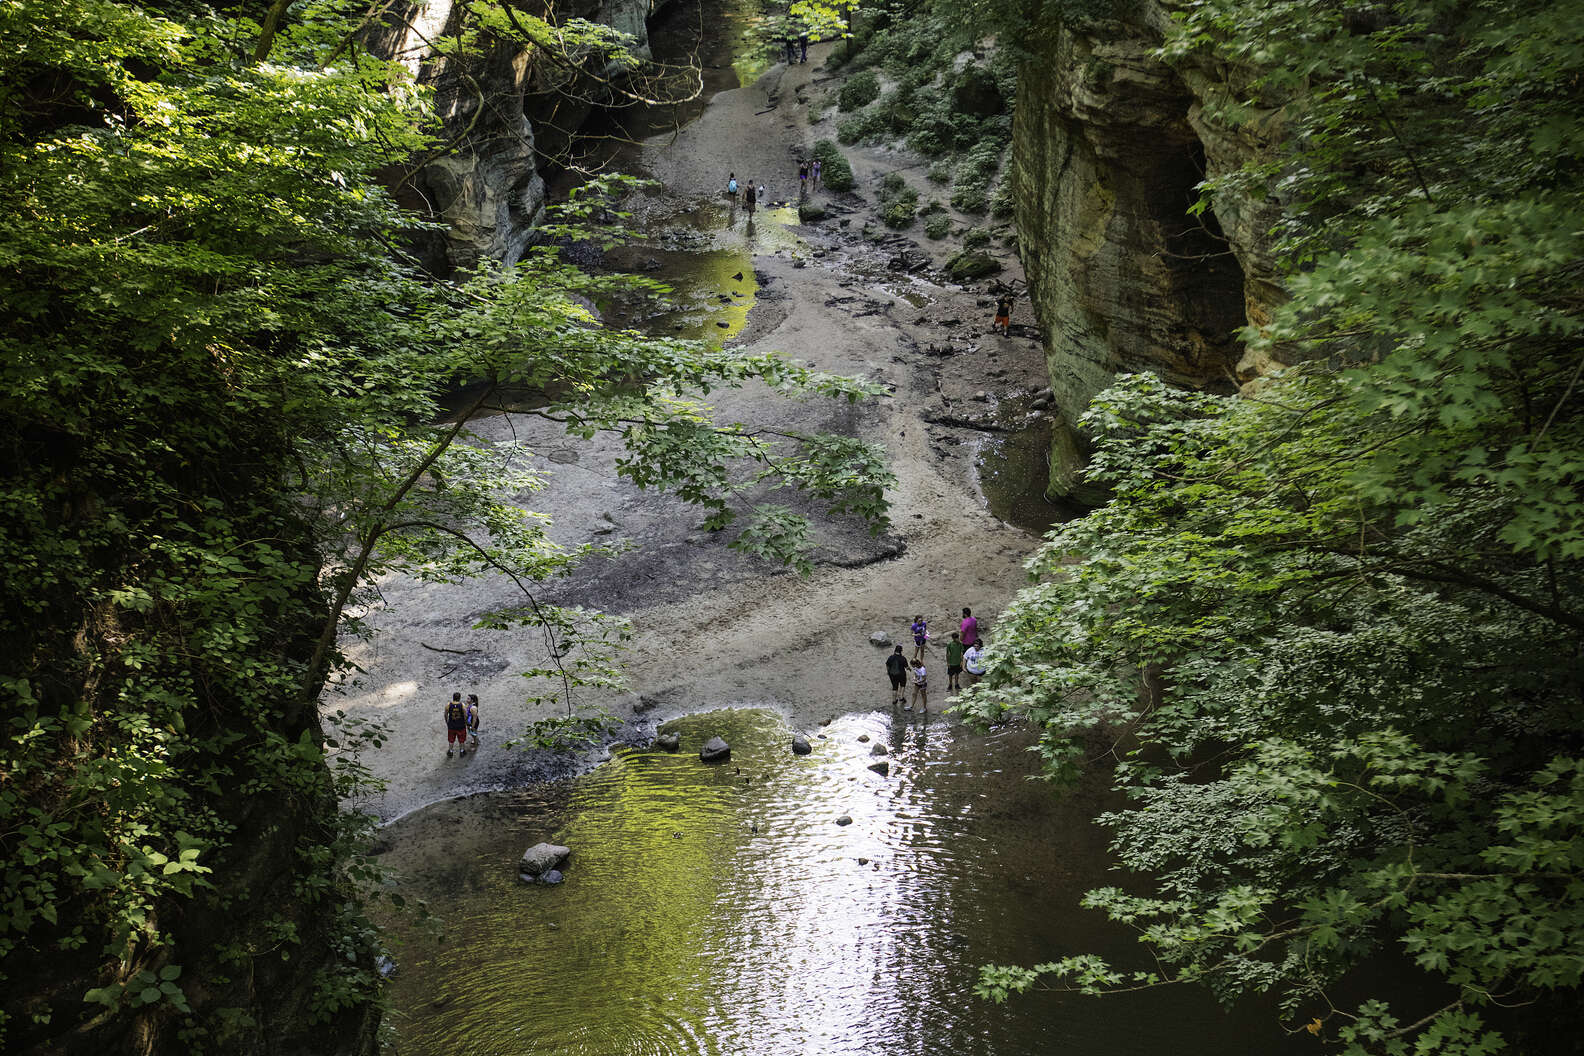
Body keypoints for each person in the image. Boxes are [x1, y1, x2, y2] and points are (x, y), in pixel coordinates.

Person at [443, 692, 468, 757]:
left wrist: (447, 722)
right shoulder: (462, 705)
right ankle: (462, 751)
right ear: (459, 698)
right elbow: (465, 715)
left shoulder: (448, 705)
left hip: (451, 725)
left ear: (453, 697)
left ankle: (450, 751)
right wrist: (465, 722)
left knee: (451, 739)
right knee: (461, 739)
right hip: (461, 726)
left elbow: (445, 715)